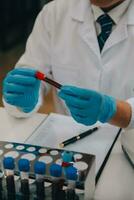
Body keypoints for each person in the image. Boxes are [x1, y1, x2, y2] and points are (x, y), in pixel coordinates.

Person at [2, 0, 133, 130]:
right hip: (69, 133)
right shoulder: (55, 12)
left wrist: (117, 112)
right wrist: (23, 98)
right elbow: (33, 70)